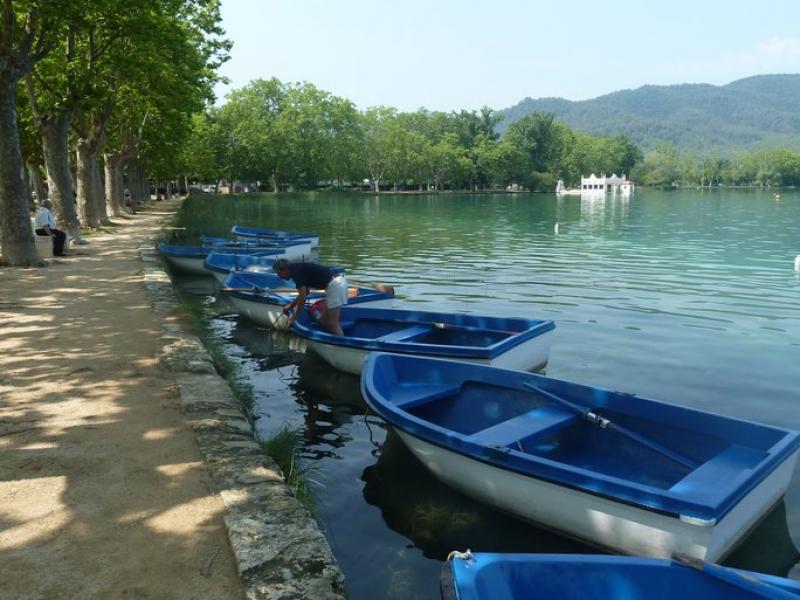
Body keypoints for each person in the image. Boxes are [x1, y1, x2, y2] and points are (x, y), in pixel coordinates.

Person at [273, 258, 347, 335]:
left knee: (332, 323)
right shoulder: (296, 269)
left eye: (279, 274)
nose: (279, 277)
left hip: (335, 285)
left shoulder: (296, 273)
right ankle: (329, 340)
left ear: (284, 269)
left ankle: (343, 344)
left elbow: (303, 298)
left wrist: (293, 318)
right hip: (335, 284)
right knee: (323, 320)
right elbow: (305, 292)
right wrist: (290, 306)